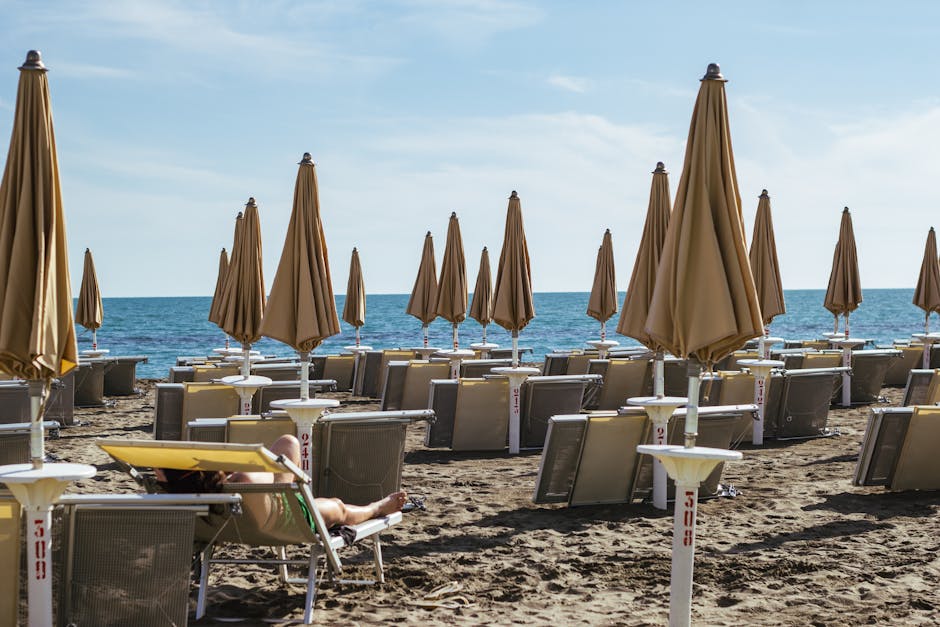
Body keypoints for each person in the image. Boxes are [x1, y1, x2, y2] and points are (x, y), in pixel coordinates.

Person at [155, 434, 406, 531]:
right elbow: (268, 474)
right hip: (285, 519)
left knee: (288, 443)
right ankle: (378, 507)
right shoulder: (243, 480)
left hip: (246, 518)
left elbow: (162, 473)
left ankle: (293, 493)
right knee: (338, 508)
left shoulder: (184, 492)